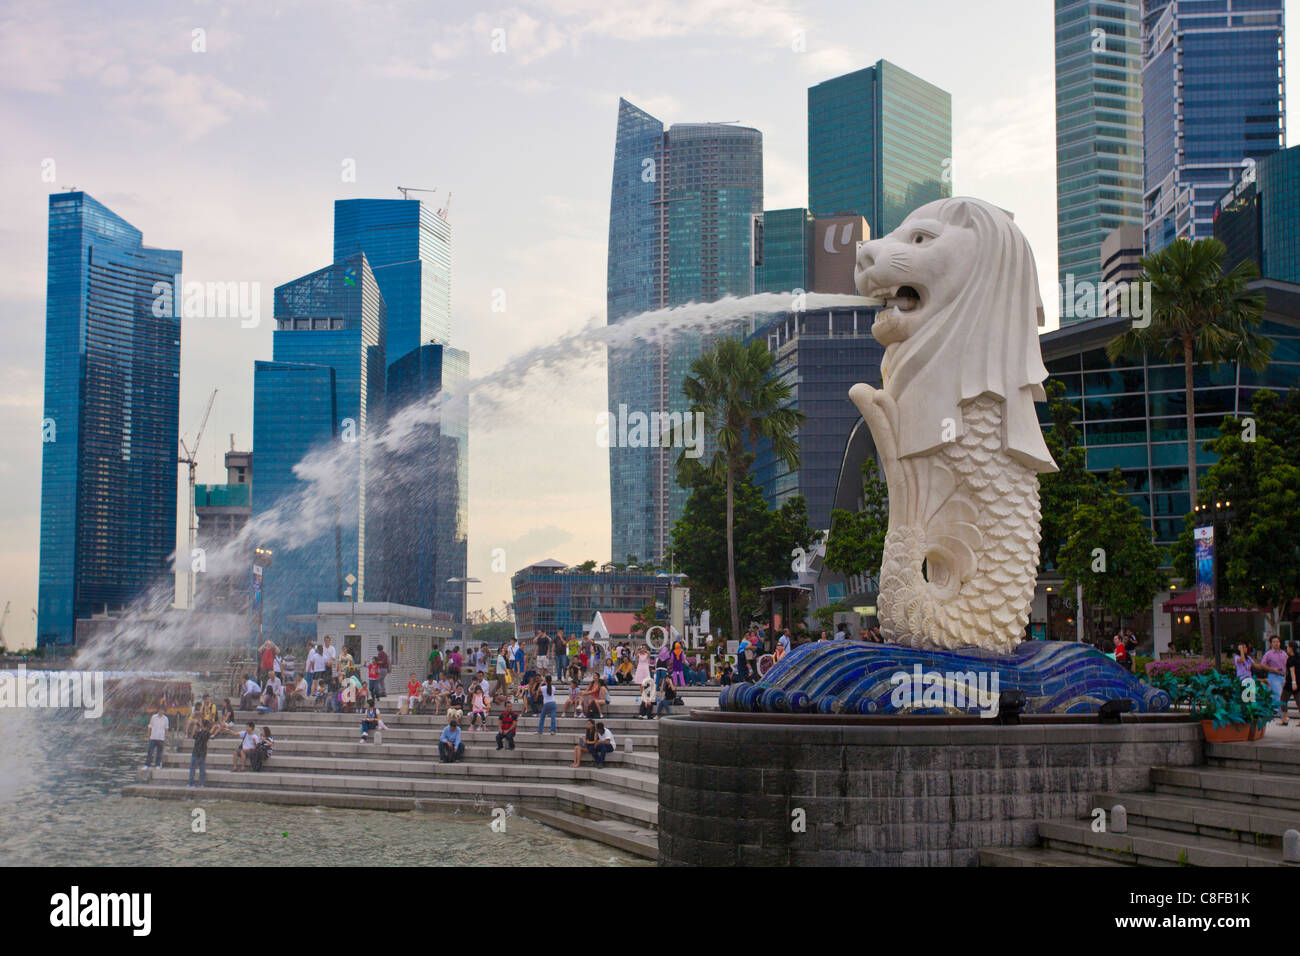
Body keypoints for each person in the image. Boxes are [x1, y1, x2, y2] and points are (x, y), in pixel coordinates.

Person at [1262, 635, 1288, 723]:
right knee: (1279, 694)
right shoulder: (1268, 654)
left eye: (1278, 641)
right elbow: (1262, 665)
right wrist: (1272, 669)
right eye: (1274, 642)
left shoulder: (1284, 653)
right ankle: (1283, 716)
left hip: (1283, 677)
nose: (1276, 643)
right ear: (1271, 643)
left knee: (1280, 696)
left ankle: (1269, 710)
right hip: (1273, 676)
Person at [187, 719, 212, 789]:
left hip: (196, 752)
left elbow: (193, 736)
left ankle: (191, 784)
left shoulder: (199, 733)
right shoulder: (207, 734)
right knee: (202, 769)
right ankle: (202, 784)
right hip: (203, 753)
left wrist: (197, 728)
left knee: (192, 768)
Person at [144, 704, 169, 769]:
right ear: (158, 710)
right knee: (150, 751)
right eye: (160, 710)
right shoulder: (153, 717)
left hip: (161, 737)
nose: (161, 711)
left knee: (159, 752)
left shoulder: (165, 718)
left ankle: (157, 765)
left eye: (163, 710)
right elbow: (150, 726)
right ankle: (147, 765)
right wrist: (148, 736)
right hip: (153, 737)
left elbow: (166, 728)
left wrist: (166, 737)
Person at [1283, 641, 1300, 725]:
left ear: (1291, 648)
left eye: (1287, 647)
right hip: (1298, 681)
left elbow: (1291, 671)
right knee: (1298, 701)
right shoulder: (1298, 657)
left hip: (1291, 683)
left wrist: (1293, 682)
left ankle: (1284, 718)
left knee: (1283, 700)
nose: (1287, 649)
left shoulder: (1290, 659)